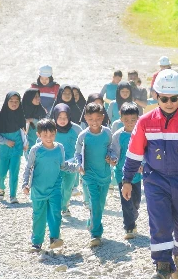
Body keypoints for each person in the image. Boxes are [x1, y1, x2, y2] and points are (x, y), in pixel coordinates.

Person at [122, 69, 178, 279]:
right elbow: (134, 154)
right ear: (156, 96)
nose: (169, 103)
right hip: (155, 180)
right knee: (159, 224)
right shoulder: (145, 122)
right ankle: (162, 269)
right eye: (164, 98)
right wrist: (127, 180)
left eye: (174, 98)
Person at [22, 119, 76, 252]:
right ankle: (36, 242)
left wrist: (77, 168)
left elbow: (63, 165)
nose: (48, 138)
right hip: (38, 189)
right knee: (38, 215)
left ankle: (54, 238)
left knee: (56, 213)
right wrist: (25, 184)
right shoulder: (36, 150)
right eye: (45, 135)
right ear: (38, 135)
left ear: (55, 133)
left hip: (55, 188)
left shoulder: (60, 148)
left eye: (51, 134)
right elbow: (28, 168)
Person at [74, 102, 116, 247]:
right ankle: (96, 234)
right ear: (85, 118)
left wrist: (111, 157)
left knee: (100, 204)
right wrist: (80, 165)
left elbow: (111, 148)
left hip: (104, 175)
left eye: (97, 119)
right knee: (96, 203)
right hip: (89, 175)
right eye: (91, 119)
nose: (94, 122)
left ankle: (92, 221)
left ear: (102, 117)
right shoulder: (83, 136)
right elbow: (78, 154)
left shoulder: (107, 133)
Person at [0, 91, 28, 204]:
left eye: (16, 101)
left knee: (14, 172)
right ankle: (1, 188)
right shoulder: (0, 115)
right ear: (6, 102)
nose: (14, 103)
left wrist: (25, 143)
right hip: (4, 149)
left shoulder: (21, 115)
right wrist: (5, 141)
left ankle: (13, 196)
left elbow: (23, 132)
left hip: (17, 148)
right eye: (11, 101)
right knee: (2, 172)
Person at [111, 102, 142, 240]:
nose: (130, 123)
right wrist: (113, 159)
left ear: (138, 118)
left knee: (136, 201)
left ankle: (134, 215)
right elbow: (114, 151)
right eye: (126, 120)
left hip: (137, 174)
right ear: (121, 118)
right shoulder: (118, 135)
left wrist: (143, 164)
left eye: (133, 120)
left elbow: (146, 152)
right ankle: (129, 227)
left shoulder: (142, 134)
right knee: (126, 201)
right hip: (121, 174)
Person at [52, 103, 82, 217]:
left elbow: (83, 143)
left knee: (68, 187)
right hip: (55, 163)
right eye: (59, 117)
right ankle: (57, 207)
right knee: (57, 186)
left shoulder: (76, 128)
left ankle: (65, 206)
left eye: (65, 118)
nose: (62, 120)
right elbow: (42, 142)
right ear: (55, 117)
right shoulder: (51, 128)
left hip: (72, 163)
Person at [22, 89, 47, 158]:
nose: (38, 98)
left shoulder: (42, 110)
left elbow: (45, 125)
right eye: (35, 96)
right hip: (28, 143)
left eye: (38, 96)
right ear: (29, 98)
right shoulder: (21, 112)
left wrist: (32, 120)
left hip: (41, 142)